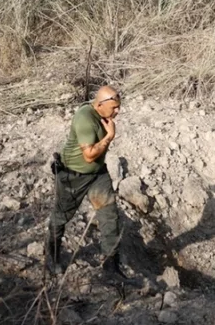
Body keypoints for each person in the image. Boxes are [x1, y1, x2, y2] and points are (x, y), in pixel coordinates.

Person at [45, 85, 127, 281]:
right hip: (73, 176)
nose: (118, 111)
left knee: (109, 216)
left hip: (97, 174)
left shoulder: (103, 115)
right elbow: (89, 155)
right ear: (99, 105)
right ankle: (52, 257)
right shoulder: (85, 118)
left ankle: (111, 268)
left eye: (119, 107)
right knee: (61, 217)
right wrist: (109, 136)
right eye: (114, 107)